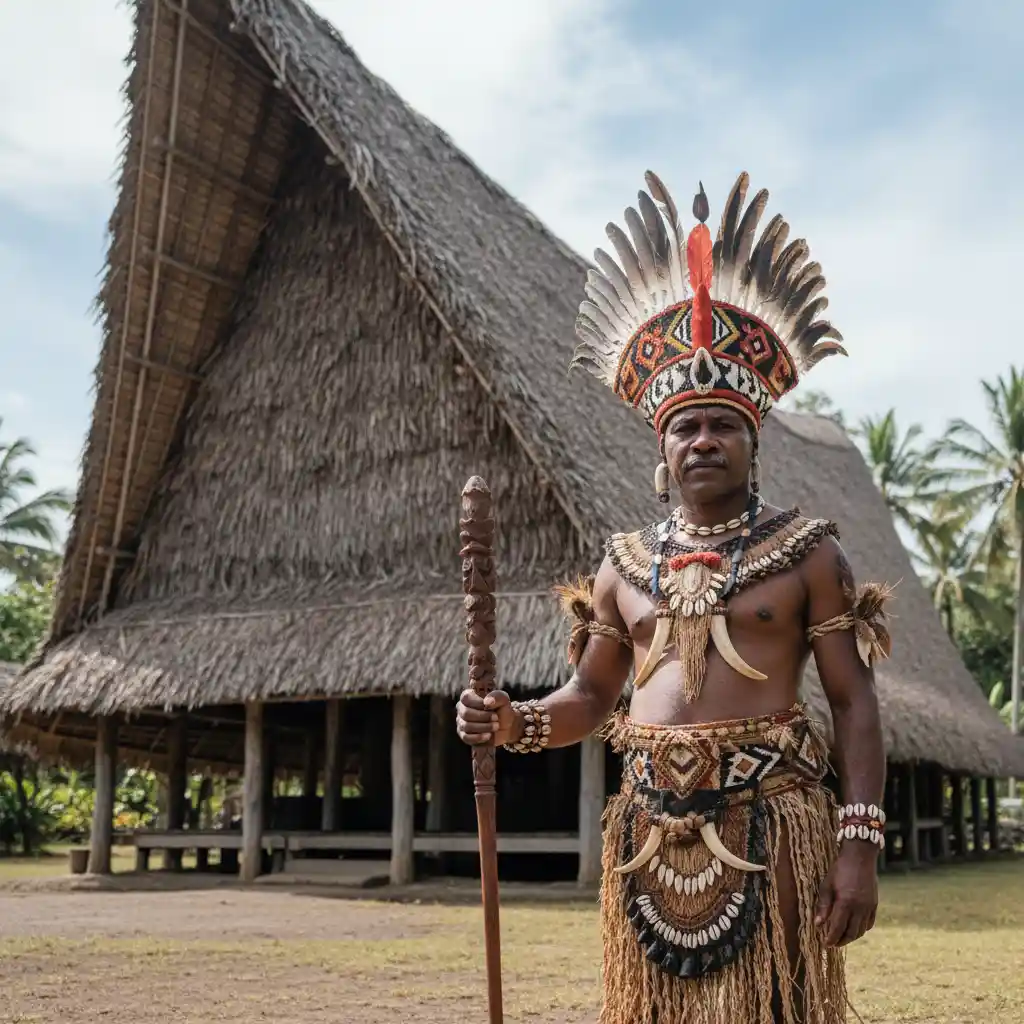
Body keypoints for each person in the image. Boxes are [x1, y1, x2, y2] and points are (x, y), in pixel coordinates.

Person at [456, 172, 893, 1024]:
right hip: (647, 829)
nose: (703, 440)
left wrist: (860, 844)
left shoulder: (808, 553)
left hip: (777, 821)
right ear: (664, 447)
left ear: (751, 441)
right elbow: (590, 696)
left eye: (722, 424)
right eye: (685, 427)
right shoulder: (622, 566)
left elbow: (854, 701)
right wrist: (516, 722)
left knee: (780, 1012)